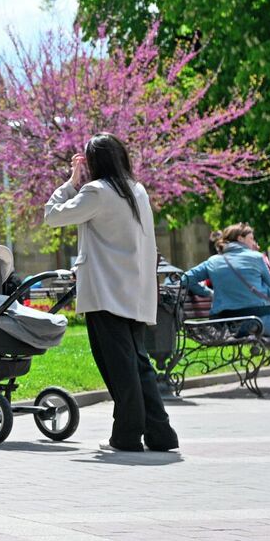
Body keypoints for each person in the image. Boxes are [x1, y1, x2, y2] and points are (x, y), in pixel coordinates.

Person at [43, 133, 178, 453]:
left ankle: (128, 435)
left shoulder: (96, 191)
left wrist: (71, 182)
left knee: (119, 367)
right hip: (135, 291)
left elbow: (53, 216)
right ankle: (160, 433)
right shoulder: (137, 190)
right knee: (138, 364)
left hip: (106, 293)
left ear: (94, 163)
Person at [180, 224, 270, 333]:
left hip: (224, 322)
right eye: (251, 239)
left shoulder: (213, 261)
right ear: (240, 239)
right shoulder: (257, 257)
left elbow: (185, 279)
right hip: (259, 319)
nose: (253, 242)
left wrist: (208, 293)